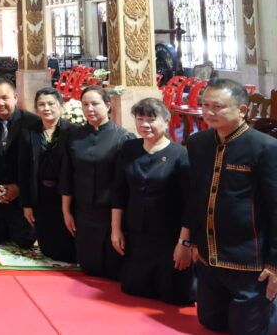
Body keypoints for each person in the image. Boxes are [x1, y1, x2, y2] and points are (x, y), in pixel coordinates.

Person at [186, 79, 277, 334]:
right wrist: (190, 241)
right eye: (205, 105)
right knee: (211, 323)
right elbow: (195, 197)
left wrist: (274, 264)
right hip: (208, 258)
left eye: (218, 107)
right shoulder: (198, 143)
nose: (209, 112)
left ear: (242, 110)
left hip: (248, 262)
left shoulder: (266, 148)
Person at [110, 97, 194, 305]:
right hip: (136, 233)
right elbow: (119, 192)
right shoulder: (129, 149)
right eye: (140, 119)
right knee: (132, 290)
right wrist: (115, 229)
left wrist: (184, 243)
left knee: (173, 296)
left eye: (151, 119)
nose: (144, 125)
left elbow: (190, 203)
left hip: (168, 236)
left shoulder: (180, 154)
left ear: (166, 121)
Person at [60, 85, 134, 279]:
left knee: (112, 270)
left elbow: (124, 184)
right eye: (85, 104)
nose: (90, 109)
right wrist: (66, 211)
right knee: (88, 268)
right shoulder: (73, 136)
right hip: (83, 210)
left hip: (111, 212)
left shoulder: (123, 138)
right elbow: (67, 175)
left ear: (108, 105)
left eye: (95, 104)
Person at [0, 78, 39, 248]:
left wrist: (18, 187)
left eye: (5, 98)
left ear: (15, 97)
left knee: (24, 240)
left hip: (21, 194)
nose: (0, 103)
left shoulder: (32, 122)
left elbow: (35, 162)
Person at [18, 87, 76, 263]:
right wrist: (26, 204)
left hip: (66, 195)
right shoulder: (28, 132)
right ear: (36, 109)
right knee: (48, 250)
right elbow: (23, 170)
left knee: (69, 250)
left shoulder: (73, 132)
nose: (46, 108)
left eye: (51, 104)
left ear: (62, 106)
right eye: (41, 105)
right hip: (40, 195)